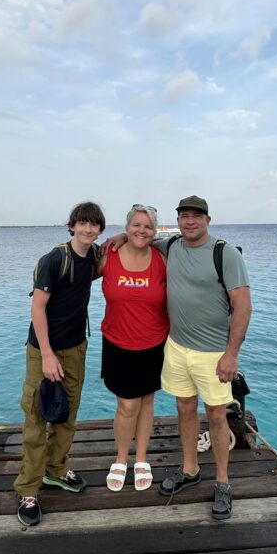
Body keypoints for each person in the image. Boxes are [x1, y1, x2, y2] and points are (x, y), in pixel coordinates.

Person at [155, 195, 251, 521]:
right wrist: (118, 238)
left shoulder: (224, 254)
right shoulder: (171, 247)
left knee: (216, 416)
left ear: (208, 220)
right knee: (184, 408)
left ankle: (222, 481)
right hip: (177, 347)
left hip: (214, 353)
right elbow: (140, 238)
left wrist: (231, 355)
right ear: (178, 220)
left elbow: (243, 306)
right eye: (184, 216)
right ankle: (190, 468)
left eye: (197, 216)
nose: (190, 221)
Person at [13, 201, 106, 527]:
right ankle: (28, 489)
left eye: (94, 224)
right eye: (83, 223)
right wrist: (48, 355)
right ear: (72, 225)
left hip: (76, 347)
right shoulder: (53, 260)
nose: (88, 229)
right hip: (44, 350)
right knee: (37, 417)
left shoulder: (94, 256)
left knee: (67, 414)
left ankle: (55, 469)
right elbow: (38, 309)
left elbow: (109, 259)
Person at [99, 204, 169, 492]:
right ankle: (121, 458)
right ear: (126, 227)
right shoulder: (108, 255)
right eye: (136, 225)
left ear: (155, 232)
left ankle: (141, 458)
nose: (142, 230)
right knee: (127, 404)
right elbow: (75, 275)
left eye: (148, 226)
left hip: (155, 341)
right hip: (118, 341)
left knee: (147, 400)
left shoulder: (163, 257)